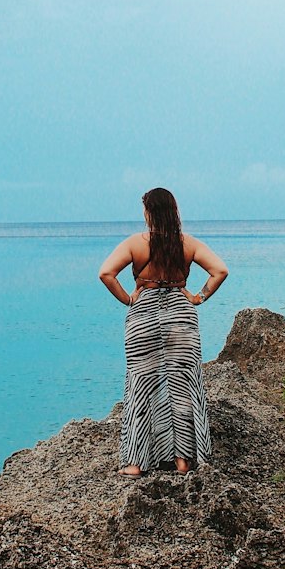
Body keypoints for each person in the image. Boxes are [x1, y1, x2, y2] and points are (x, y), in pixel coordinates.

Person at [98, 188, 228, 476]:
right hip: (181, 315)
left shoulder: (135, 244)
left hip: (143, 315)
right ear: (173, 211)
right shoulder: (188, 245)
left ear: (148, 213)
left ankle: (135, 463)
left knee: (142, 385)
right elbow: (220, 270)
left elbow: (106, 273)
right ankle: (184, 461)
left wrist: (129, 298)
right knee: (182, 384)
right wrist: (198, 297)